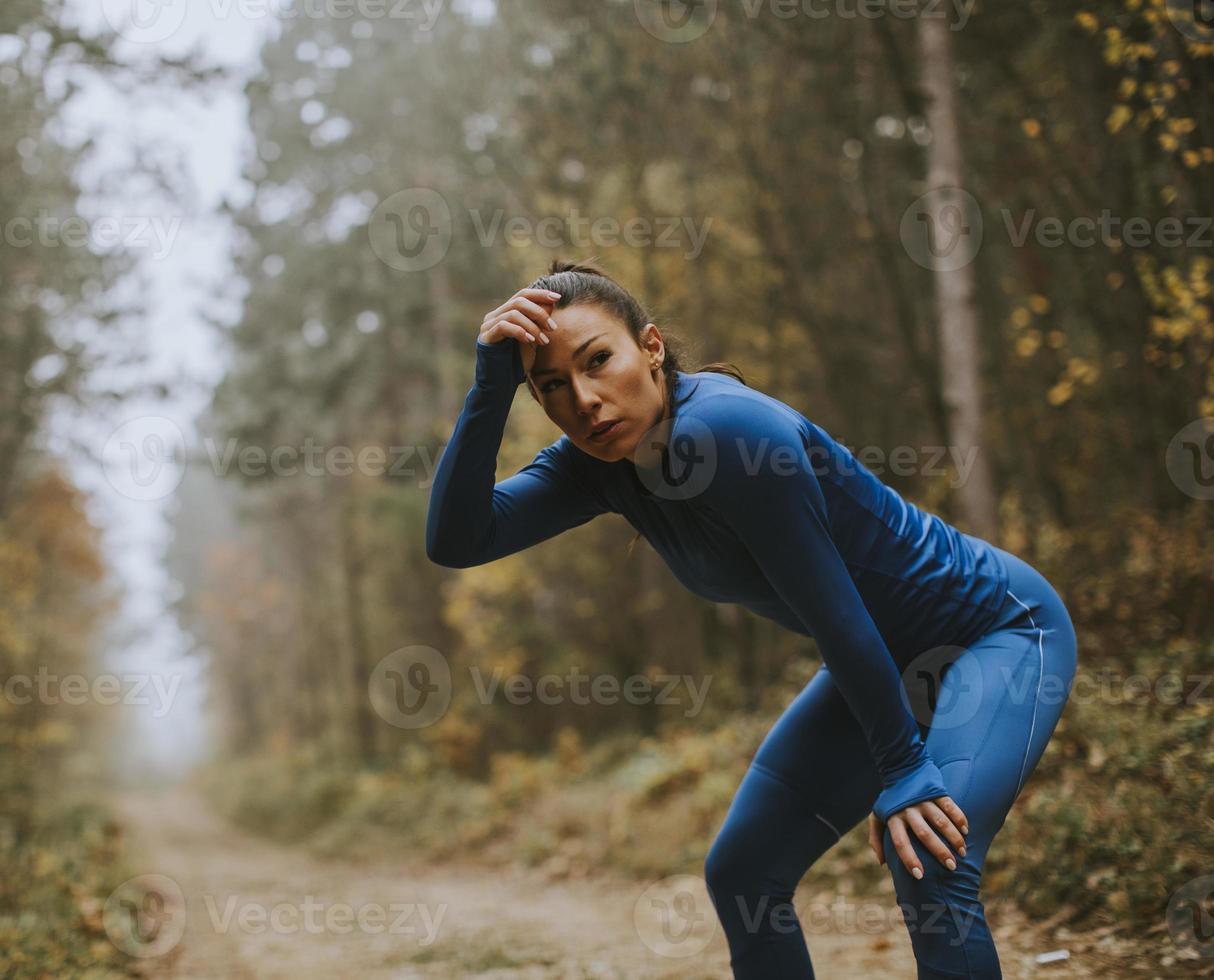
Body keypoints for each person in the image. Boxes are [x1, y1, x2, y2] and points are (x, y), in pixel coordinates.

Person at [424, 260, 1077, 979]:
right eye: (550, 386)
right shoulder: (594, 464)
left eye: (598, 361)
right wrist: (490, 386)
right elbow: (459, 540)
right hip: (885, 658)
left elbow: (834, 607)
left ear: (650, 346)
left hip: (996, 631)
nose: (582, 400)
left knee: (930, 865)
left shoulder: (730, 433)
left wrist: (904, 766)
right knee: (744, 873)